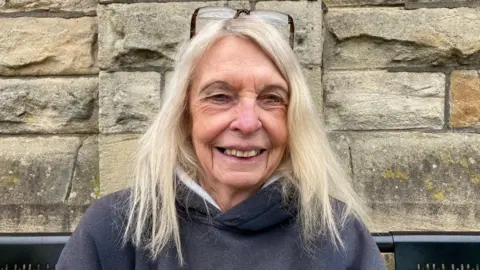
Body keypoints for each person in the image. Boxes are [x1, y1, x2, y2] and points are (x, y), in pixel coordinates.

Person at [57, 7, 387, 269]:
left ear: (292, 120)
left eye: (271, 98)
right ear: (184, 115)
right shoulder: (116, 228)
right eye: (219, 97)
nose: (246, 123)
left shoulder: (339, 235)